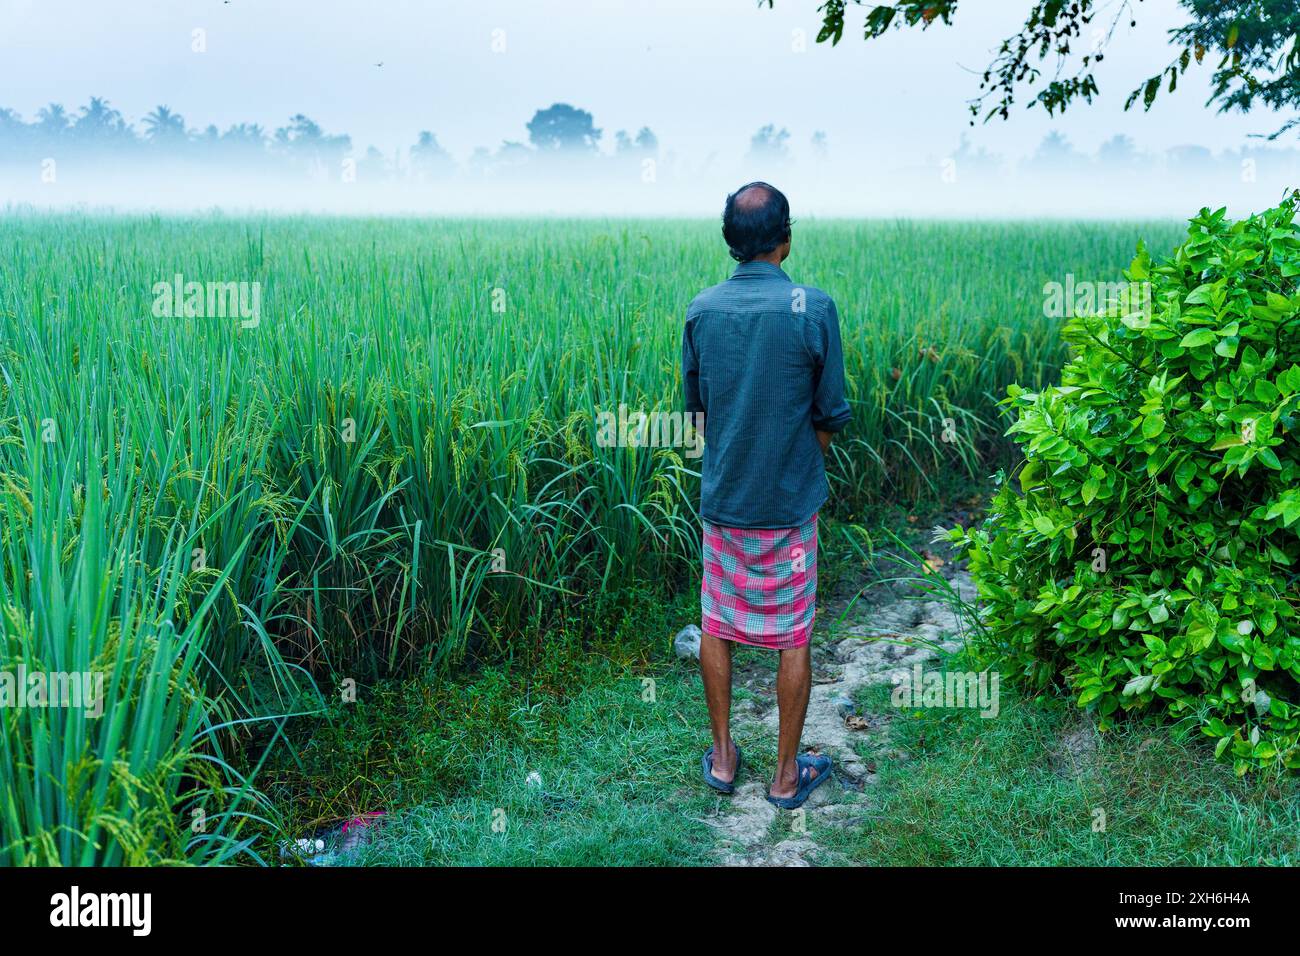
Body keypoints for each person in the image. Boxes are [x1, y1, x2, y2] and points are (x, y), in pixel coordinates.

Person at [681, 181, 851, 809]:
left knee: (717, 624)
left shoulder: (702, 310)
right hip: (789, 506)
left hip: (726, 501)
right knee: (794, 633)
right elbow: (830, 414)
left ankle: (724, 760)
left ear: (730, 242)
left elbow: (697, 415)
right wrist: (797, 460)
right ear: (786, 239)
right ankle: (785, 777)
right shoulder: (815, 308)